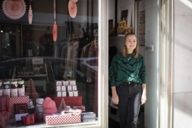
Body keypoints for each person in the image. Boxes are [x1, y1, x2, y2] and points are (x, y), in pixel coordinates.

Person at [109, 33, 147, 128]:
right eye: (129, 41)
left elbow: (143, 75)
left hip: (136, 90)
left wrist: (144, 93)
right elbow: (112, 75)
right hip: (121, 90)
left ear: (136, 43)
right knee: (123, 117)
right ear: (125, 43)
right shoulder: (117, 58)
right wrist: (114, 93)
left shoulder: (140, 58)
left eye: (134, 41)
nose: (132, 43)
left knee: (133, 118)